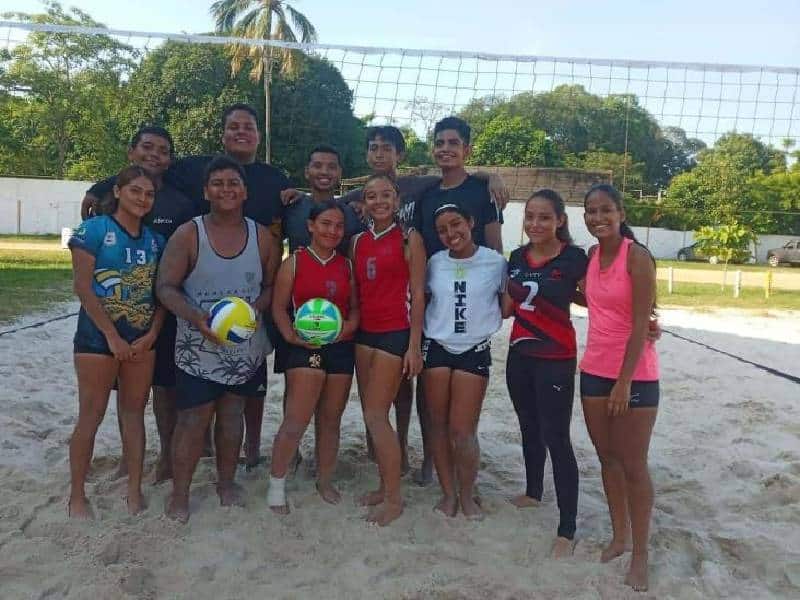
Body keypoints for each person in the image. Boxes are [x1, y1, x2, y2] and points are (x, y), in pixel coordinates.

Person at [83, 105, 290, 467]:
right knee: (168, 384)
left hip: (246, 292)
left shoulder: (275, 178)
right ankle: (174, 453)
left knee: (246, 384)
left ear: (259, 134)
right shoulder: (194, 168)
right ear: (222, 135)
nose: (241, 132)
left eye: (248, 126)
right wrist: (99, 188)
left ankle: (251, 450)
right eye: (233, 126)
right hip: (178, 296)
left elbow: (299, 206)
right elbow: (146, 171)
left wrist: (298, 198)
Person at [156, 156, 278, 523]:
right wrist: (198, 317)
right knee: (192, 421)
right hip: (198, 346)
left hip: (243, 347)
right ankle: (180, 494)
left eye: (233, 183)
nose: (226, 189)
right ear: (206, 191)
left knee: (232, 416)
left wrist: (253, 309)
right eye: (218, 183)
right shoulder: (189, 234)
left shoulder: (262, 236)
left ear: (245, 191)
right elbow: (166, 287)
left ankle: (226, 483)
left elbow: (271, 287)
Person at [80, 126, 196, 483]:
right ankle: (126, 461)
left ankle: (165, 457)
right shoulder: (106, 199)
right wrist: (95, 190)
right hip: (116, 316)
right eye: (147, 147)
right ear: (131, 152)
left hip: (164, 308)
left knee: (164, 389)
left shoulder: (180, 203)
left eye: (163, 150)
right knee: (123, 393)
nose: (154, 154)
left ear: (170, 160)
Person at [67, 165, 166, 519]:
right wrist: (111, 336)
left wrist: (152, 334)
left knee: (134, 415)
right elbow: (83, 287)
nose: (143, 198)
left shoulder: (156, 241)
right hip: (97, 339)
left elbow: (162, 294)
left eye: (149, 194)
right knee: (91, 416)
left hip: (141, 341)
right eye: (135, 190)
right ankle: (77, 495)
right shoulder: (93, 230)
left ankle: (134, 490)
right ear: (118, 192)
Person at [412, 116, 504, 485]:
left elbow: (496, 249)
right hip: (436, 301)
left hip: (470, 306)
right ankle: (432, 462)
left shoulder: (482, 191)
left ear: (467, 149)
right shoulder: (427, 194)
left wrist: (489, 175)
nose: (445, 148)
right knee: (429, 401)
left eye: (453, 143)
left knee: (462, 417)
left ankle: (461, 476)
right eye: (440, 143)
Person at [580, 183, 659, 592]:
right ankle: (619, 536)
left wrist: (624, 382)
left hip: (635, 375)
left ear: (621, 213)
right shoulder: (592, 256)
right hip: (593, 369)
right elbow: (593, 300)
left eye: (606, 210)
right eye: (591, 211)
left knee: (633, 464)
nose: (598, 218)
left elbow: (642, 324)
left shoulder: (637, 257)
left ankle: (641, 554)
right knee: (607, 458)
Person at [501, 189, 588, 558]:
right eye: (530, 217)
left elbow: (597, 297)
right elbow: (507, 308)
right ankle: (533, 492)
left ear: (560, 221)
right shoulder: (516, 257)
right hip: (520, 354)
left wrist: (643, 319)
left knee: (557, 437)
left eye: (544, 217)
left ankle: (567, 528)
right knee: (528, 426)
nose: (535, 224)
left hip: (556, 356)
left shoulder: (574, 258)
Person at [267, 201, 360, 513]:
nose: (332, 231)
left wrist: (349, 327)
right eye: (325, 224)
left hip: (340, 346)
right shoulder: (294, 262)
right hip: (305, 346)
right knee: (296, 420)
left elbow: (355, 309)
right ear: (310, 226)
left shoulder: (347, 265)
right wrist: (291, 336)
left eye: (338, 226)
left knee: (330, 420)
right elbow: (279, 307)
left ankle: (325, 480)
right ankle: (276, 486)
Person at [421, 204, 506, 519]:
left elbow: (509, 303)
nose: (451, 233)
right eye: (442, 230)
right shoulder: (434, 262)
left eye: (456, 224)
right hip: (437, 347)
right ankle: (448, 494)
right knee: (438, 426)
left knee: (462, 430)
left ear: (470, 222)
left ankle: (468, 494)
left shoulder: (495, 262)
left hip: (474, 349)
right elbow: (422, 301)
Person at [351, 174, 425, 526]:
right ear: (363, 203)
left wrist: (414, 346)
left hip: (395, 334)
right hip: (364, 335)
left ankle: (394, 499)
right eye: (371, 196)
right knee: (373, 417)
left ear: (396, 201)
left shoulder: (410, 238)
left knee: (377, 417)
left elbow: (419, 295)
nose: (378, 201)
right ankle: (384, 486)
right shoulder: (357, 241)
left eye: (385, 195)